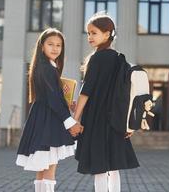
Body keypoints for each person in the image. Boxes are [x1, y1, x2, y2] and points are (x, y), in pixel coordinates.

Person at [74, 13, 139, 192]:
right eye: (88, 33)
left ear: (107, 33)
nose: (89, 37)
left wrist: (75, 118)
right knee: (113, 166)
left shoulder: (97, 58)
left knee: (99, 166)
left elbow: (86, 91)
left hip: (97, 119)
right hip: (116, 120)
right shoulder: (120, 59)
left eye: (94, 33)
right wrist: (128, 123)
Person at [15, 28, 83, 192]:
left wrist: (66, 104)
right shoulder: (47, 68)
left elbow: (51, 97)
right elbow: (53, 99)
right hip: (48, 122)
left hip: (43, 119)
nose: (55, 48)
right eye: (50, 44)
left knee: (43, 170)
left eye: (58, 45)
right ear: (42, 46)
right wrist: (70, 122)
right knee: (49, 169)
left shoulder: (44, 66)